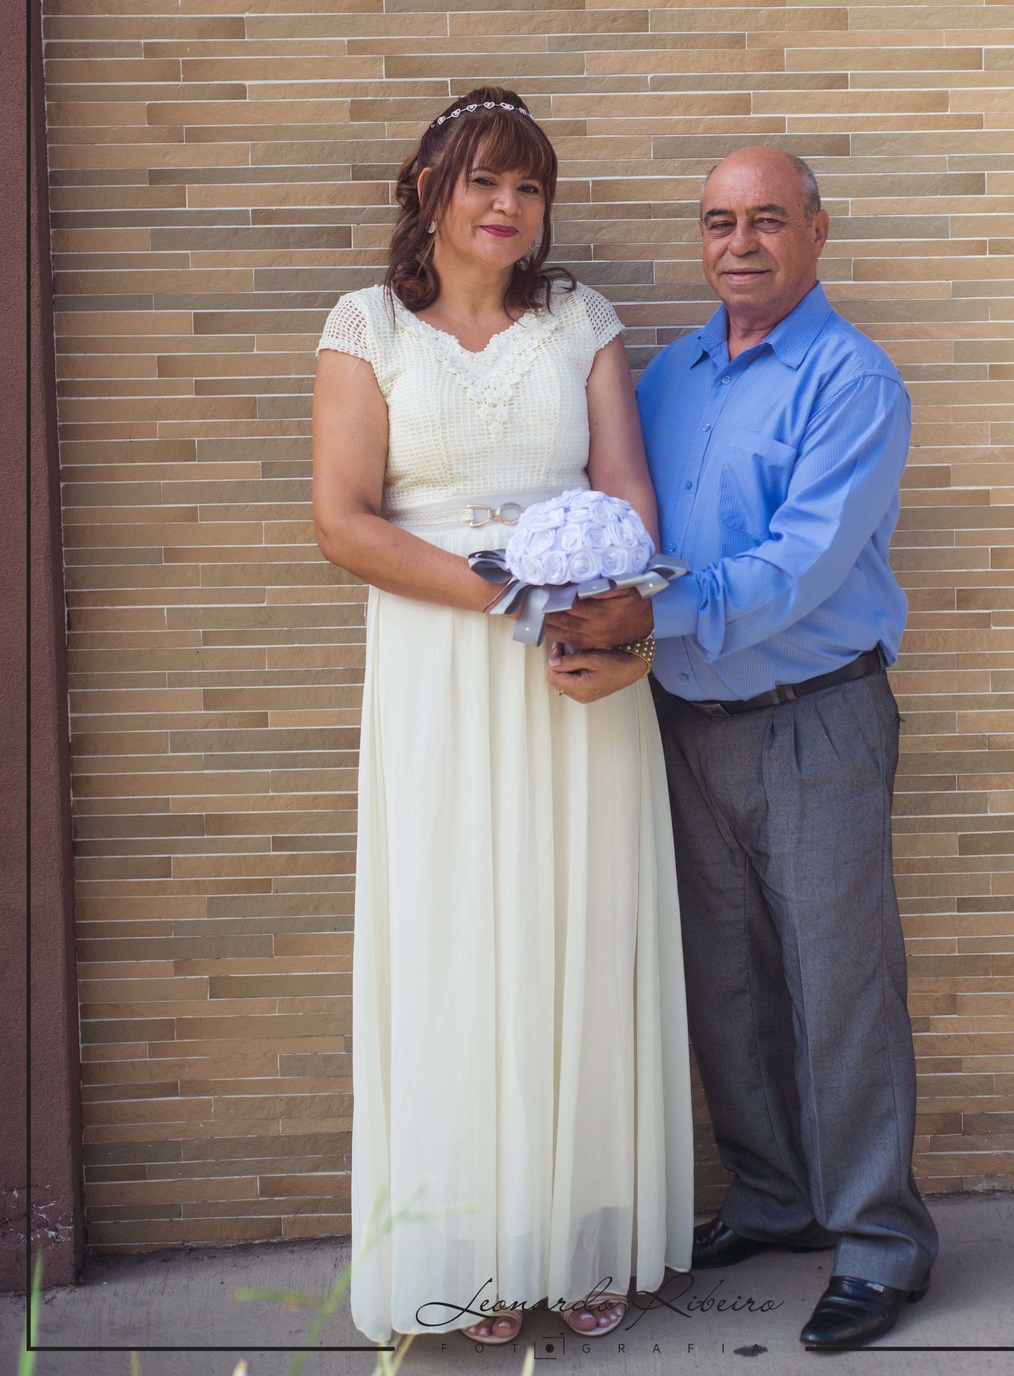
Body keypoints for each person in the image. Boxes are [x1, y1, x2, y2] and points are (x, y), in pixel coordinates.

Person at [311, 86, 693, 1348]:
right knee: (457, 939)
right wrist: (502, 592)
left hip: (574, 667)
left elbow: (628, 495)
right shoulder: (366, 326)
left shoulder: (581, 320)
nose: (507, 205)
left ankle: (583, 1235)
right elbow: (343, 522)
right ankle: (471, 1247)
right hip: (442, 663)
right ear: (430, 189)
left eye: (529, 186)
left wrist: (610, 615)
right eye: (483, 179)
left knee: (581, 927)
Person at [545, 145, 938, 1354]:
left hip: (815, 717)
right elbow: (626, 524)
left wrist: (647, 618)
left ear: (817, 232)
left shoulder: (852, 380)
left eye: (768, 218)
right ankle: (773, 1196)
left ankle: (880, 1241)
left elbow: (801, 564)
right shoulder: (671, 375)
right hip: (682, 722)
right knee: (722, 979)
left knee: (840, 988)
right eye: (720, 221)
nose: (741, 242)